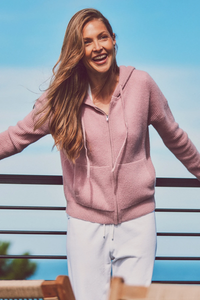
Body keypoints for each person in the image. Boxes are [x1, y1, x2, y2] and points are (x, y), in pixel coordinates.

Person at [0, 8, 200, 300]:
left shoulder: (141, 85)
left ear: (114, 40)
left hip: (138, 222)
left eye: (102, 37)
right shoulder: (61, 100)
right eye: (87, 42)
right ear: (77, 51)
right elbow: (16, 137)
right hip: (85, 226)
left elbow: (176, 138)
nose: (97, 48)